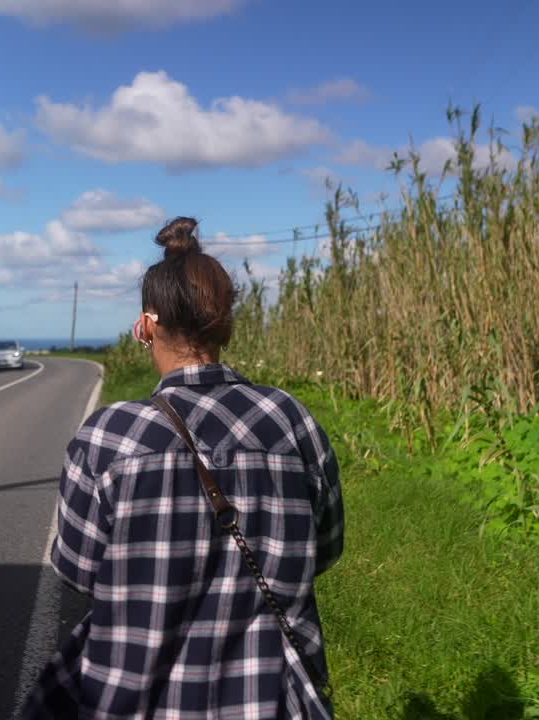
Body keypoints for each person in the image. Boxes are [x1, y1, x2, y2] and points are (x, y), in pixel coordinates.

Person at [19, 217, 344, 719]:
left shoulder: (108, 437)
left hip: (130, 700)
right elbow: (324, 548)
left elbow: (78, 569)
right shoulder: (292, 421)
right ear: (224, 324)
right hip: (270, 701)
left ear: (147, 326)